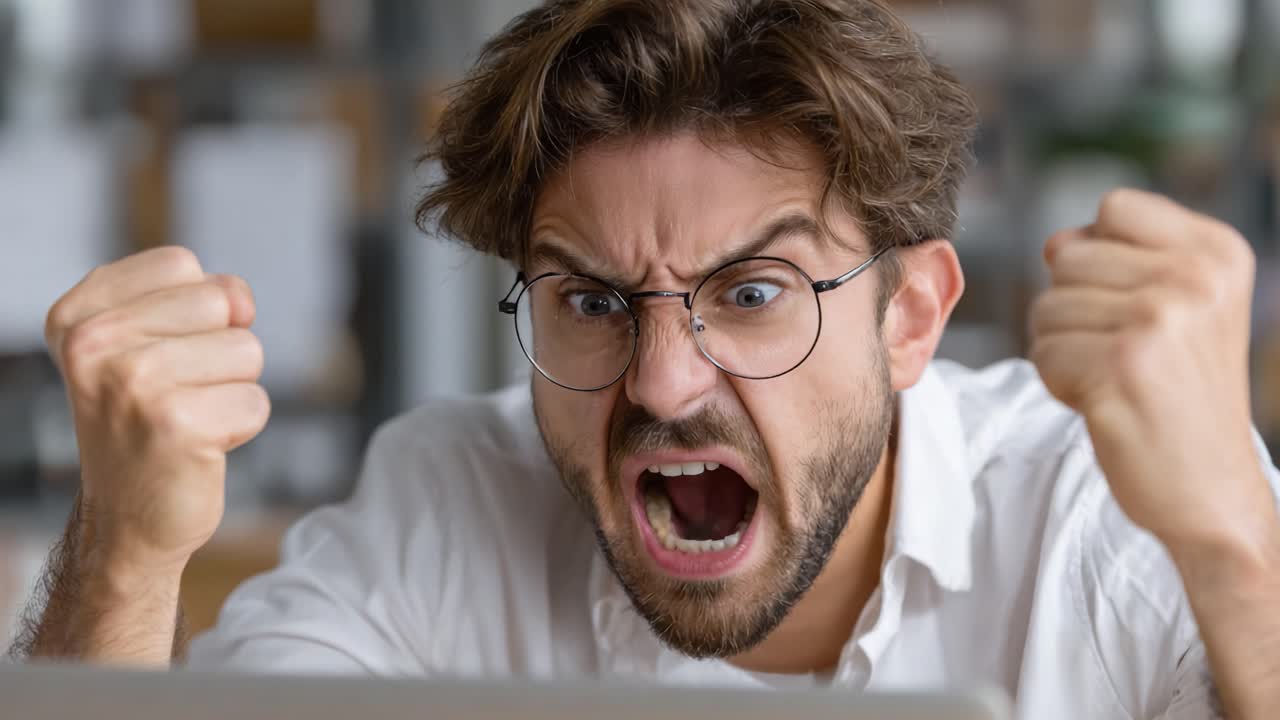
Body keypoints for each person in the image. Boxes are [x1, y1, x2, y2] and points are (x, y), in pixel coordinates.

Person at [9, 0, 1280, 717]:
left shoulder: (1104, 522)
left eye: (753, 291)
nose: (664, 384)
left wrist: (1230, 545)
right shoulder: (447, 506)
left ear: (910, 318)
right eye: (592, 301)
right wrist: (123, 550)